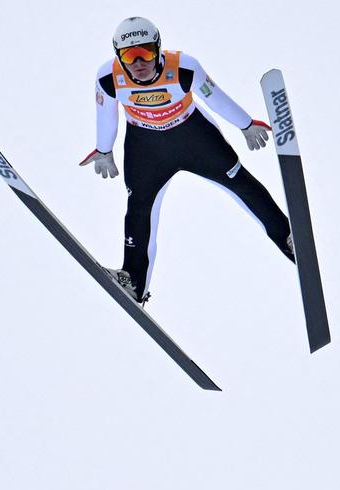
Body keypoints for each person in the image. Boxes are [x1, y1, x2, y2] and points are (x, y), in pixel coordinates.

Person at [80, 16, 294, 304]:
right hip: (146, 148)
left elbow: (215, 98)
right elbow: (106, 116)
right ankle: (133, 281)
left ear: (158, 49)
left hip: (193, 138)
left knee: (241, 183)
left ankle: (290, 240)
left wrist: (245, 124)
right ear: (118, 56)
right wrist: (103, 150)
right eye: (130, 55)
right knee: (138, 208)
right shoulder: (108, 77)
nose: (139, 62)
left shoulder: (183, 68)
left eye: (146, 52)